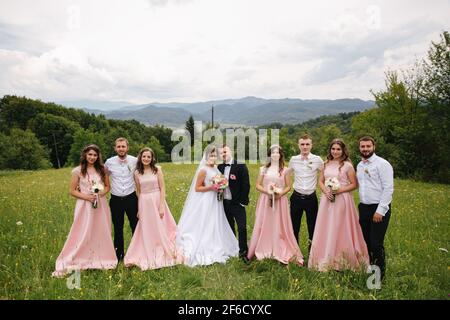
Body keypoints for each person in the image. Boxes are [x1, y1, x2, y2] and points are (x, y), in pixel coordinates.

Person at [52, 144, 117, 277]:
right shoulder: (78, 171)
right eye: (90, 154)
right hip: (84, 205)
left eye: (95, 155)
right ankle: (79, 256)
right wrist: (88, 197)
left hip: (100, 204)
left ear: (98, 156)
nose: (92, 157)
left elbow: (107, 187)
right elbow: (72, 191)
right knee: (83, 231)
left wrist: (99, 194)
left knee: (100, 230)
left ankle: (102, 257)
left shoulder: (102, 169)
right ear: (85, 155)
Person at [308, 139, 369, 272]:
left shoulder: (347, 166)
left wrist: (339, 190)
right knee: (327, 227)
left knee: (340, 227)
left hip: (342, 200)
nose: (335, 151)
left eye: (338, 149)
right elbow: (320, 181)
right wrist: (326, 191)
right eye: (333, 149)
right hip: (327, 200)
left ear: (343, 151)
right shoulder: (325, 164)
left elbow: (354, 184)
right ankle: (326, 256)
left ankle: (343, 258)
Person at [176, 145, 239, 267]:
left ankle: (217, 242)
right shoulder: (203, 170)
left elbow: (221, 181)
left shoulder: (216, 168)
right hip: (206, 201)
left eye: (215, 155)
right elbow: (197, 188)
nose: (213, 157)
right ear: (206, 156)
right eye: (211, 155)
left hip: (216, 201)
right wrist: (211, 187)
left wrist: (221, 187)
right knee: (206, 222)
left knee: (216, 222)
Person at [124, 148, 183, 270]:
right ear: (140, 158)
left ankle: (164, 248)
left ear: (152, 159)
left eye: (148, 157)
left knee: (161, 225)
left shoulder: (157, 170)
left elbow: (163, 188)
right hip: (145, 203)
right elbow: (139, 191)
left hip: (157, 200)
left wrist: (161, 205)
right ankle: (149, 248)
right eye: (144, 156)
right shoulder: (137, 173)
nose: (146, 159)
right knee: (147, 227)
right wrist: (140, 209)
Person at [247, 145, 303, 265]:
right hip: (265, 199)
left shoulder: (285, 170)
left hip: (280, 200)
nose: (275, 155)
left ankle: (279, 248)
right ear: (269, 155)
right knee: (264, 223)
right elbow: (258, 185)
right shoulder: (263, 169)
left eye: (278, 153)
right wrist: (268, 192)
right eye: (273, 153)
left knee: (279, 224)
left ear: (281, 155)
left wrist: (279, 193)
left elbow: (288, 186)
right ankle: (263, 246)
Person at [357, 136, 394, 280]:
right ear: (359, 148)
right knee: (366, 242)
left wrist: (380, 210)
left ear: (374, 147)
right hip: (364, 208)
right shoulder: (360, 165)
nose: (365, 149)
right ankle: (371, 272)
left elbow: (388, 188)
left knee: (376, 244)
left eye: (368, 146)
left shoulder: (382, 164)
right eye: (362, 146)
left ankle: (378, 279)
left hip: (378, 208)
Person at [287, 134, 324, 251]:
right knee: (294, 226)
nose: (305, 146)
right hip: (296, 197)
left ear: (311, 145)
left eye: (307, 144)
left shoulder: (317, 160)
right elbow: (286, 174)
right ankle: (294, 251)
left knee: (312, 226)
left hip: (311, 199)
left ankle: (312, 252)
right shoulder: (293, 160)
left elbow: (325, 174)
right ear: (299, 145)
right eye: (302, 144)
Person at [104, 137, 138, 261]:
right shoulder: (109, 162)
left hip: (131, 198)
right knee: (118, 228)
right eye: (119, 146)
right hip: (116, 200)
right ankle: (119, 256)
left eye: (123, 146)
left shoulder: (135, 160)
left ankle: (136, 253)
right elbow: (102, 177)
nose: (121, 149)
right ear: (115, 148)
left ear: (127, 148)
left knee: (135, 226)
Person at [218, 144, 251, 263]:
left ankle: (243, 253)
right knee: (229, 227)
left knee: (242, 228)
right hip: (224, 203)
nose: (224, 154)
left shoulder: (240, 166)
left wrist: (242, 202)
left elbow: (246, 185)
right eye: (221, 153)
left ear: (230, 151)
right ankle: (232, 250)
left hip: (237, 203)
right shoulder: (219, 167)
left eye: (225, 152)